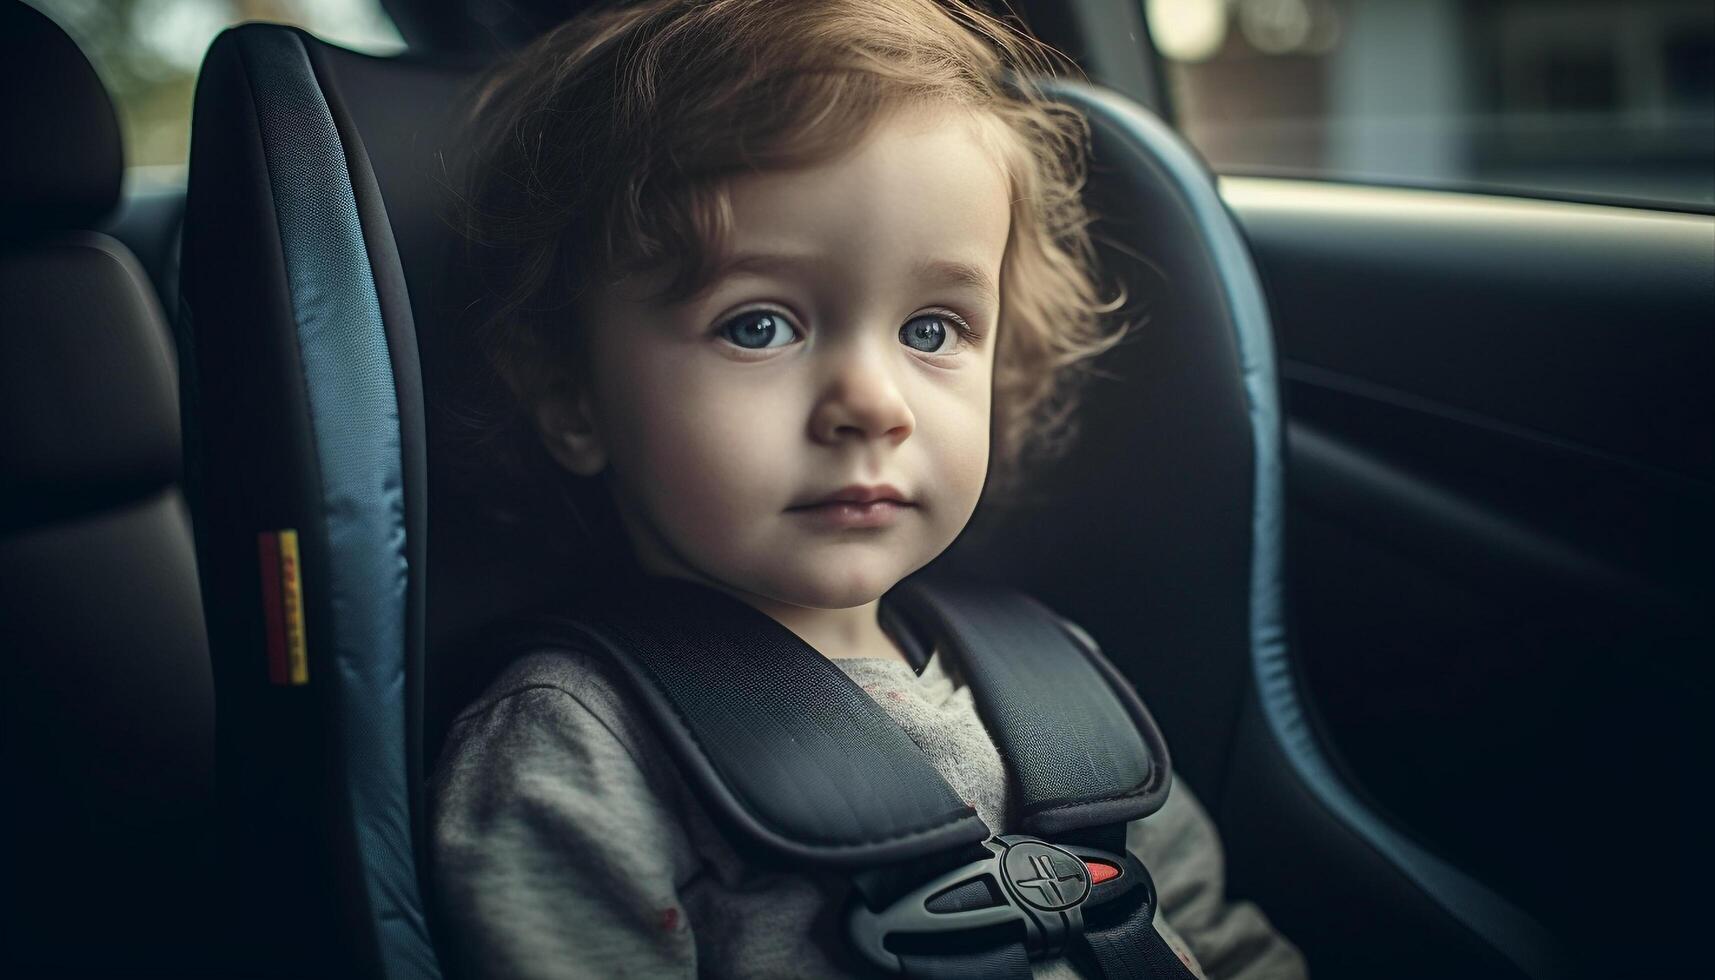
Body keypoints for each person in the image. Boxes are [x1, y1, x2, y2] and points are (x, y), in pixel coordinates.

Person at [430, 2, 1308, 978]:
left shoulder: (1060, 685)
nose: (870, 403)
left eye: (931, 329)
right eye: (757, 325)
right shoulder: (575, 748)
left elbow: (1217, 946)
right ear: (570, 397)